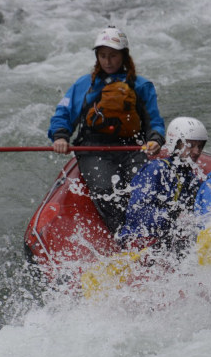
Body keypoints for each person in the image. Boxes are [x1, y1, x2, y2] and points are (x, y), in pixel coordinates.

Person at [48, 26, 165, 232]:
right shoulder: (85, 85)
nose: (108, 61)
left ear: (124, 56)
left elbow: (154, 122)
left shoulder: (141, 85)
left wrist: (155, 139)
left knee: (141, 186)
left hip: (131, 147)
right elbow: (64, 114)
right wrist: (60, 136)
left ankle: (147, 230)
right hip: (93, 148)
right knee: (105, 189)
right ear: (97, 57)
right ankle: (122, 233)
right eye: (103, 56)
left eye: (112, 55)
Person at [117, 117, 208, 252]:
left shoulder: (191, 179)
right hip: (140, 240)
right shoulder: (155, 169)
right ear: (175, 144)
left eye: (200, 146)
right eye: (191, 145)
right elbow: (138, 213)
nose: (196, 151)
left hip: (167, 240)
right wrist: (173, 216)